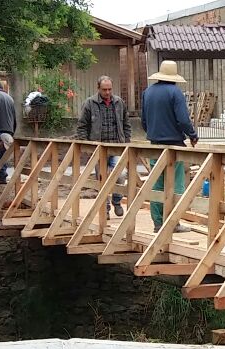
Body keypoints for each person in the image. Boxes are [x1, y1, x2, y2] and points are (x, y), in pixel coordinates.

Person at [141, 61, 198, 232]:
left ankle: (158, 223)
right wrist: (193, 135)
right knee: (176, 185)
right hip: (174, 146)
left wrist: (153, 132)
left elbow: (144, 120)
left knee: (157, 184)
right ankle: (173, 222)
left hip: (154, 145)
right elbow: (182, 119)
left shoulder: (147, 92)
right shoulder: (175, 93)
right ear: (174, 77)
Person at [76, 75, 132, 217]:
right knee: (101, 178)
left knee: (121, 174)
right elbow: (82, 126)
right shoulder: (90, 103)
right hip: (98, 148)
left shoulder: (119, 102)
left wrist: (126, 141)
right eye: (104, 89)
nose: (107, 92)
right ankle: (105, 208)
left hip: (116, 146)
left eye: (109, 89)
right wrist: (87, 146)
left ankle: (117, 200)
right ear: (98, 88)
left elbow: (126, 124)